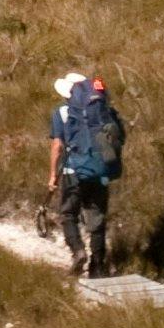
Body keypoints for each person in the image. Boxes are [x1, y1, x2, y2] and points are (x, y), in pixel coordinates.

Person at [46, 71, 129, 277]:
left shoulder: (62, 112)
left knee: (68, 214)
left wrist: (52, 176)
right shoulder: (106, 111)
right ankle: (98, 265)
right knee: (97, 217)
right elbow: (121, 138)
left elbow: (57, 146)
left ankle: (78, 251)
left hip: (72, 171)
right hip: (101, 170)